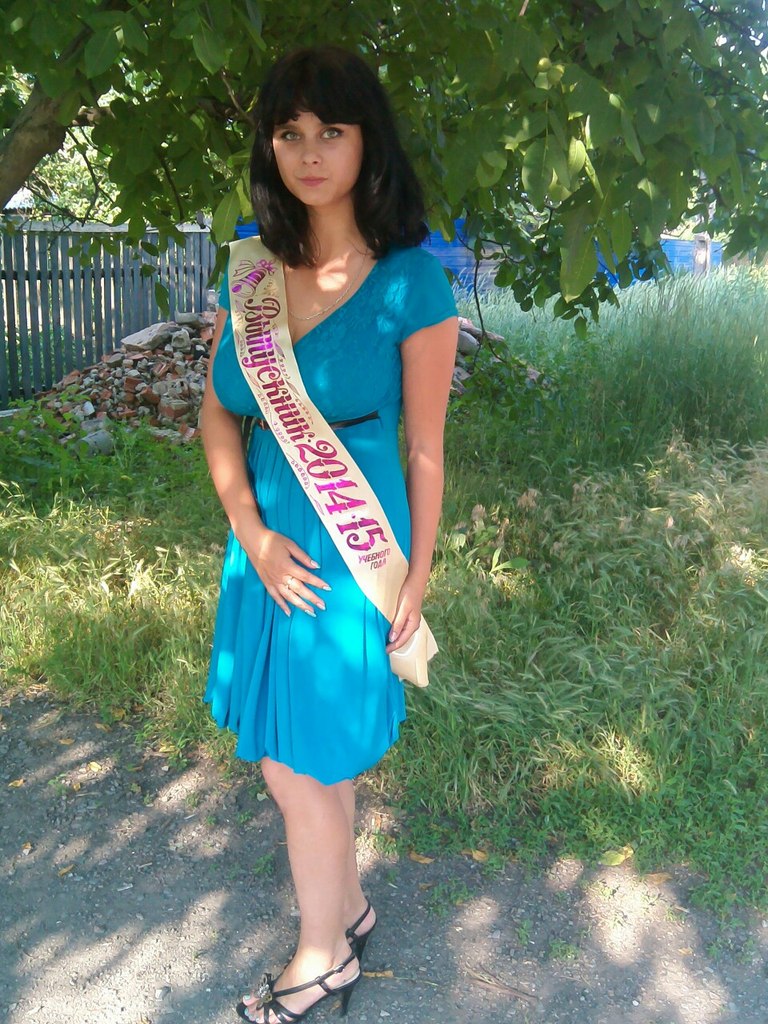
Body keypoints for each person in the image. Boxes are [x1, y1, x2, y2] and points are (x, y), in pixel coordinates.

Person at [200, 45, 458, 1024]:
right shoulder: (254, 279)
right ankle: (344, 910)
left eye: (332, 131)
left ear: (367, 143)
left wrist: (415, 579)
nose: (309, 151)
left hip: (355, 542)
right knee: (299, 750)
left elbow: (425, 449)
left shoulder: (411, 285)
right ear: (271, 147)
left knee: (303, 758)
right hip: (270, 542)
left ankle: (320, 960)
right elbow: (219, 412)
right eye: (290, 132)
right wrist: (251, 533)